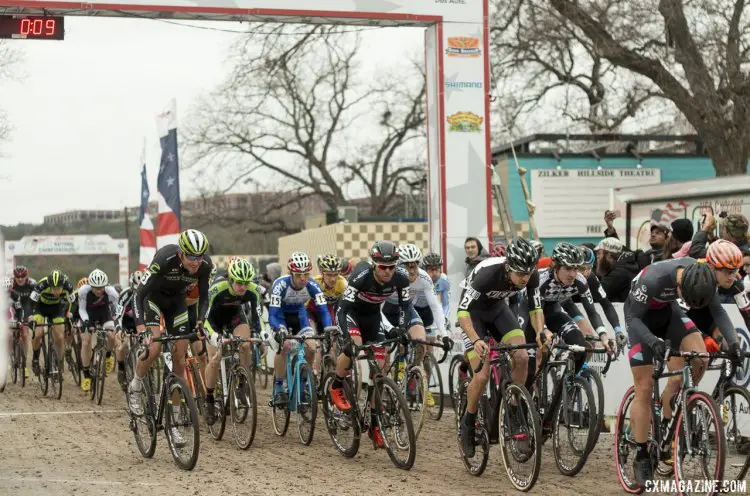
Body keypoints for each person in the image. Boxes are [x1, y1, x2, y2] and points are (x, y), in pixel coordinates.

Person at [624, 258, 741, 487]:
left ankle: (673, 415)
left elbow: (717, 310)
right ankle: (641, 454)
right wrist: (652, 341)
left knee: (700, 357)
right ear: (680, 287)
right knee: (645, 388)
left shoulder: (702, 276)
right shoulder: (653, 279)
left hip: (669, 313)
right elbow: (633, 318)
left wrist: (734, 343)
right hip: (640, 320)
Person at [457, 238, 547, 458]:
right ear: (508, 267)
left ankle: (514, 408)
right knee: (482, 375)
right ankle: (468, 421)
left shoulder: (530, 274)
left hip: (498, 312)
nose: (525, 279)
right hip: (474, 316)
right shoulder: (487, 273)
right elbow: (463, 312)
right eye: (520, 274)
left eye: (529, 273)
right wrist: (476, 340)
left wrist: (539, 331)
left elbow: (536, 308)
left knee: (523, 357)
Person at [128, 229, 214, 432]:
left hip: (177, 303)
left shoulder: (205, 266)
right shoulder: (164, 259)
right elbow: (138, 295)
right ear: (181, 253)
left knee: (180, 359)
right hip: (153, 300)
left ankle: (175, 421)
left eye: (200, 256)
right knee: (154, 349)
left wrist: (200, 321)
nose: (196, 262)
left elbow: (204, 296)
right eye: (191, 256)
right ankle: (136, 384)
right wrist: (141, 327)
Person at [331, 240, 413, 447]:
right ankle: (337, 384)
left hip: (374, 317)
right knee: (354, 347)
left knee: (380, 367)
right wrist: (347, 339)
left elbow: (405, 306)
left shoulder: (401, 277)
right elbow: (342, 309)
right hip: (352, 314)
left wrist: (402, 328)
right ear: (374, 264)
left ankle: (373, 421)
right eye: (383, 267)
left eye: (392, 267)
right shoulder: (361, 276)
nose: (388, 272)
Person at [203, 258, 262, 425]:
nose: (242, 287)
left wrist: (263, 334)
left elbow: (258, 318)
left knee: (245, 344)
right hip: (214, 321)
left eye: (245, 283)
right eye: (238, 283)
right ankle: (209, 399)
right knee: (215, 359)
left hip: (234, 317)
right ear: (230, 279)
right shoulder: (217, 288)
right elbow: (204, 318)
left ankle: (242, 383)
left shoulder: (253, 290)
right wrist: (213, 335)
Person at [268, 252, 331, 406]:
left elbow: (323, 310)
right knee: (285, 346)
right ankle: (278, 388)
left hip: (300, 317)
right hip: (281, 317)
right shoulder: (280, 284)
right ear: (291, 274)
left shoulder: (312, 285)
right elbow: (272, 315)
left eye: (306, 274)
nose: (303, 278)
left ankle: (302, 386)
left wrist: (329, 328)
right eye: (298, 275)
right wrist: (280, 331)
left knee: (312, 347)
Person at [77, 268, 119, 393]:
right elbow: (82, 309)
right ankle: (86, 376)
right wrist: (85, 321)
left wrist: (116, 323)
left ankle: (108, 356)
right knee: (86, 342)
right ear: (91, 285)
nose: (99, 290)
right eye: (96, 287)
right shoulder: (83, 291)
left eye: (101, 287)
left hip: (104, 314)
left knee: (111, 336)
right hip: (88, 315)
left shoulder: (112, 293)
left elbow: (116, 310)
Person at [29, 270, 75, 377]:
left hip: (56, 309)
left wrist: (68, 313)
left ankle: (58, 363)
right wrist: (31, 315)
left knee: (59, 337)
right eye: (53, 288)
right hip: (40, 307)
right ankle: (35, 359)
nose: (56, 291)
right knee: (38, 333)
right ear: (49, 285)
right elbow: (31, 302)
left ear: (62, 285)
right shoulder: (42, 285)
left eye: (59, 288)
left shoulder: (68, 286)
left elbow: (73, 301)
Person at [421, 252, 450, 328]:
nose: (434, 273)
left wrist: (445, 318)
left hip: (430, 310)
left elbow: (446, 304)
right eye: (430, 269)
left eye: (437, 269)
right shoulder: (418, 278)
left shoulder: (443, 280)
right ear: (424, 269)